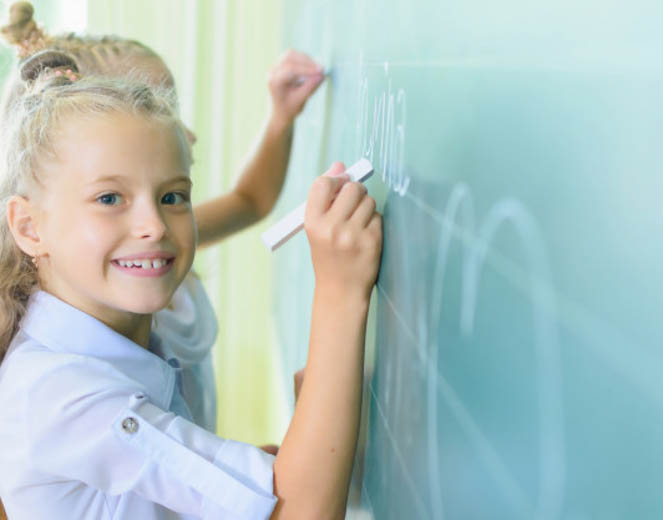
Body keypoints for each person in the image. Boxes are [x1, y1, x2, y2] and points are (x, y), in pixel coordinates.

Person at [0, 50, 381, 518]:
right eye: (109, 198)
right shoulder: (63, 395)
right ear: (29, 227)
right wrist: (341, 291)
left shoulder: (115, 342)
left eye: (173, 196)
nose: (154, 225)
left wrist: (298, 454)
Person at [0, 1, 323, 435]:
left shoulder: (158, 240)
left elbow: (250, 200)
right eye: (154, 105)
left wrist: (281, 118)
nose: (184, 133)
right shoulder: (77, 337)